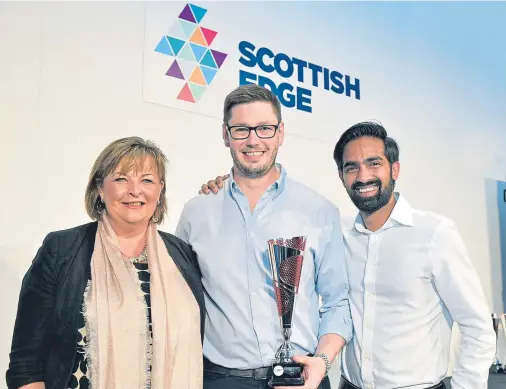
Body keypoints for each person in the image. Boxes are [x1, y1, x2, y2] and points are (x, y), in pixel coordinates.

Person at [199, 121, 496, 389]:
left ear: (395, 169)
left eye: (374, 163)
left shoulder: (435, 234)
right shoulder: (336, 234)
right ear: (341, 176)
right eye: (351, 167)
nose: (363, 175)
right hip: (348, 385)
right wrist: (229, 188)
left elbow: (478, 328)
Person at [175, 84, 353, 389]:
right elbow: (179, 300)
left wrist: (321, 362)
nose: (253, 140)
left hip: (303, 378)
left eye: (264, 128)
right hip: (221, 380)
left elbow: (339, 301)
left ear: (280, 133)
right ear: (225, 135)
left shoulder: (319, 211)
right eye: (241, 129)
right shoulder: (196, 213)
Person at [6, 137, 205, 389]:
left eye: (147, 180)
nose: (135, 190)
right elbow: (26, 364)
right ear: (100, 188)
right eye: (121, 179)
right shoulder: (62, 250)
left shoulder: (181, 255)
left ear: (160, 190)